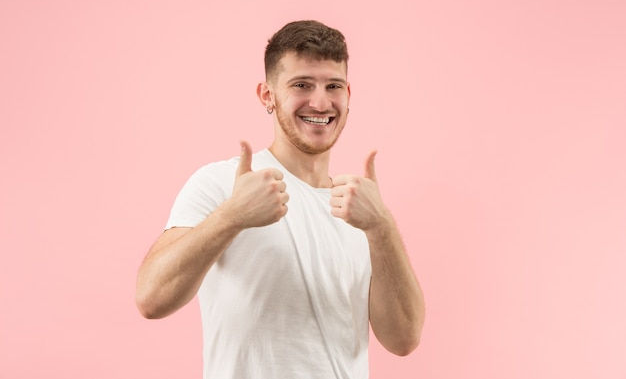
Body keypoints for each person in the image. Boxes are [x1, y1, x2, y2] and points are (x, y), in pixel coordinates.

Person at [135, 20, 425, 378]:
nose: (320, 102)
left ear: (349, 95)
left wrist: (382, 227)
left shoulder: (361, 210)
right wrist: (232, 216)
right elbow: (151, 298)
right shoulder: (224, 183)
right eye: (301, 84)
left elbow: (404, 339)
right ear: (267, 95)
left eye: (333, 85)